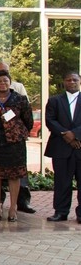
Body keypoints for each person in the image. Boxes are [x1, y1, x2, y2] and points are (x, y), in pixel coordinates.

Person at [0, 61, 35, 214]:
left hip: (14, 144)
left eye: (5, 80)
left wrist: (18, 132)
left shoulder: (20, 99)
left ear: (10, 82)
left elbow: (28, 121)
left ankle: (13, 208)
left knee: (14, 175)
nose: (2, 83)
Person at [45, 72, 81, 223]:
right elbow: (50, 120)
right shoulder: (54, 101)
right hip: (61, 147)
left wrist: (75, 134)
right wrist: (65, 135)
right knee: (61, 182)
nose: (72, 82)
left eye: (75, 80)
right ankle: (61, 212)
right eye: (68, 80)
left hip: (80, 146)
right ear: (64, 82)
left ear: (79, 82)